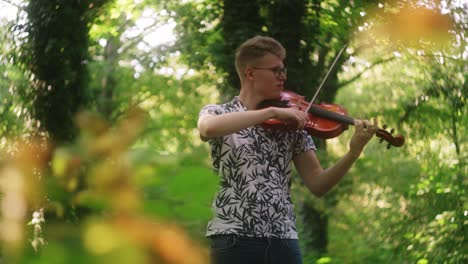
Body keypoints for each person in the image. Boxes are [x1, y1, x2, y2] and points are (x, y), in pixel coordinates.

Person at [197, 36, 378, 264]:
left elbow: (318, 184)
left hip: (283, 239)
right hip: (233, 237)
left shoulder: (294, 123)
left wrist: (353, 152)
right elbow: (207, 128)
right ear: (251, 73)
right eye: (276, 71)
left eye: (283, 70)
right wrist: (271, 112)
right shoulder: (218, 112)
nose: (283, 77)